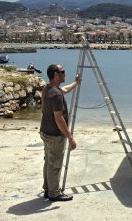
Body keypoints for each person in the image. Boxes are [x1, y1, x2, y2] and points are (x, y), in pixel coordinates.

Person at [40, 64, 81, 202]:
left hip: (45, 132)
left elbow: (64, 89)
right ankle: (54, 193)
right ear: (56, 75)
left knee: (49, 162)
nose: (65, 73)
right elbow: (59, 118)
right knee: (55, 164)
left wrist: (75, 83)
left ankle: (48, 189)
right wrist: (70, 137)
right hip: (54, 135)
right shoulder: (56, 94)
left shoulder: (48, 89)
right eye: (62, 71)